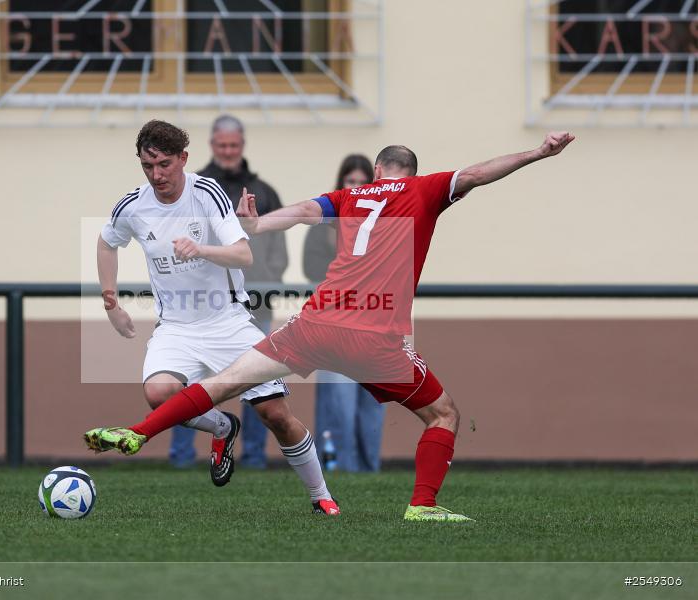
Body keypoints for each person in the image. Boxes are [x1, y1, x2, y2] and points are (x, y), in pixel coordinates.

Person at [86, 131, 575, 522]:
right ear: (411, 173)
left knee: (220, 385)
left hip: (315, 324)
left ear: (378, 170)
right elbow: (475, 174)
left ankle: (140, 432)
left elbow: (299, 213)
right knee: (443, 413)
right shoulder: (424, 188)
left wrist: (256, 225)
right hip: (372, 339)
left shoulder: (351, 194)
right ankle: (421, 506)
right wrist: (537, 152)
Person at [97, 119, 338, 514]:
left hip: (228, 322)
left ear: (183, 159)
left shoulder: (207, 193)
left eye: (164, 165)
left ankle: (321, 496)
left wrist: (201, 249)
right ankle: (222, 427)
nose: (156, 175)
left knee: (275, 414)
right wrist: (112, 302)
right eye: (147, 166)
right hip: (175, 328)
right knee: (158, 394)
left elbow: (244, 254)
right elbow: (107, 243)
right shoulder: (132, 205)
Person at [170, 115, 289, 469]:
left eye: (233, 145)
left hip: (255, 305)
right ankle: (181, 456)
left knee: (257, 386)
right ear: (212, 145)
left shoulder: (263, 191)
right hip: (202, 305)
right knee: (193, 382)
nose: (227, 151)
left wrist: (266, 282)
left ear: (242, 145)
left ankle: (253, 455)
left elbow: (277, 250)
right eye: (222, 145)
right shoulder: (194, 187)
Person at [303, 154, 385, 472]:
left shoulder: (384, 224)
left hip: (374, 322)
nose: (356, 187)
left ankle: (369, 468)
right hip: (333, 323)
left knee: (372, 400)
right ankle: (339, 467)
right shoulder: (324, 224)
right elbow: (312, 268)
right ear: (341, 184)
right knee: (338, 399)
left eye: (362, 181)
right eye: (350, 181)